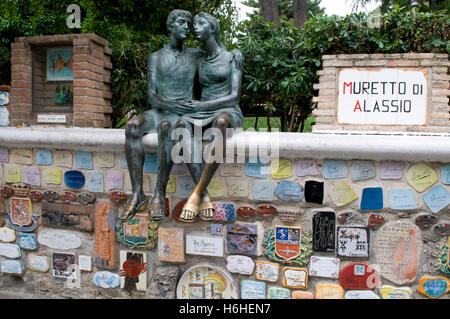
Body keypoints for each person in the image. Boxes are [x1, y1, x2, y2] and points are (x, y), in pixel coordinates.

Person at [121, 9, 213, 221]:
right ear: (170, 25)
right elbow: (152, 95)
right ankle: (138, 193)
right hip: (160, 109)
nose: (187, 27)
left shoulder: (195, 55)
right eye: (182, 22)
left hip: (179, 114)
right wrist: (174, 104)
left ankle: (159, 194)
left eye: (188, 24)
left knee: (167, 129)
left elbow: (216, 57)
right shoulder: (155, 57)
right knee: (132, 126)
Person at [177, 12, 244, 222]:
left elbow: (234, 96)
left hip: (227, 109)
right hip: (202, 111)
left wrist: (203, 105)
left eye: (200, 23)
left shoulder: (232, 57)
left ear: (213, 28)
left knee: (222, 123)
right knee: (180, 125)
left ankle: (195, 193)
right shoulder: (198, 60)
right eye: (193, 24)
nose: (195, 27)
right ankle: (204, 196)